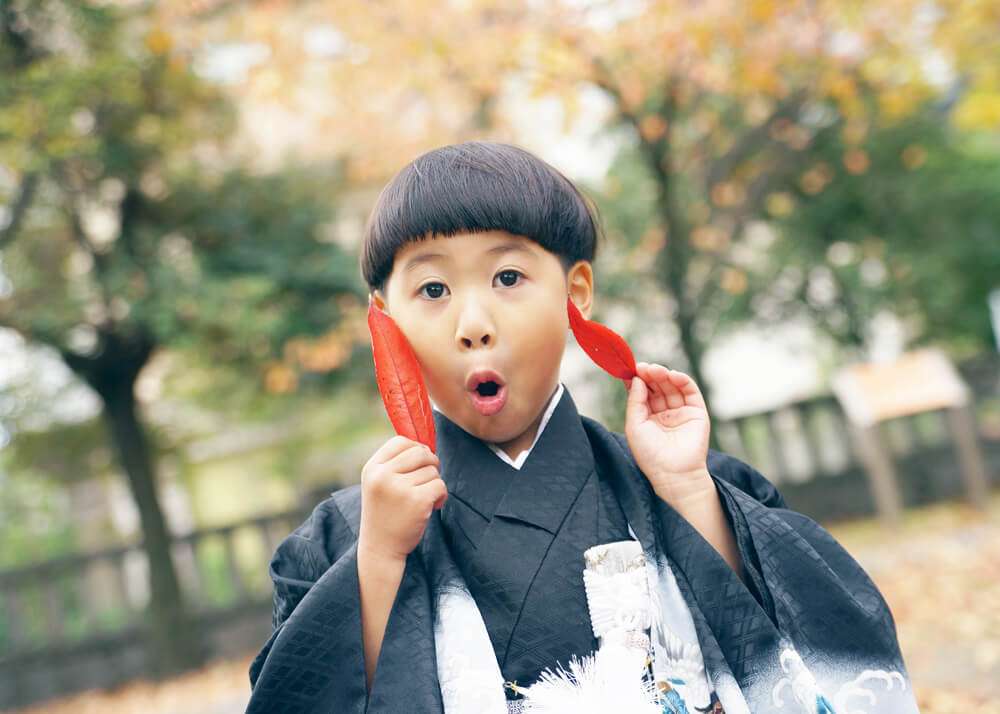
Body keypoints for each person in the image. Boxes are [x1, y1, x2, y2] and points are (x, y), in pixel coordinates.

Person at [245, 141, 919, 713]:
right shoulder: (348, 537)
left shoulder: (682, 482)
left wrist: (687, 493)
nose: (472, 323)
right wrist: (379, 560)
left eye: (508, 276)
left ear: (576, 292)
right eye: (432, 290)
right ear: (382, 319)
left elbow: (821, 650)